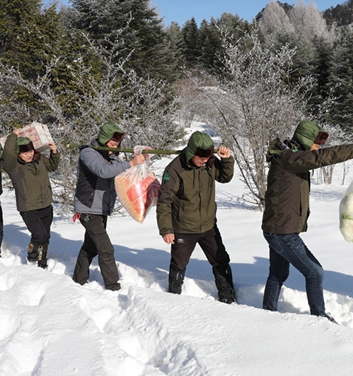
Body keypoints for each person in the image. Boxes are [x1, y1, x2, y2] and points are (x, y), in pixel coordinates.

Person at [261, 120, 353, 321]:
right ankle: (319, 316)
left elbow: (316, 156)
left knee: (278, 274)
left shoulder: (290, 156)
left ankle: (267, 313)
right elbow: (322, 158)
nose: (318, 148)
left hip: (278, 228)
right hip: (282, 232)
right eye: (316, 143)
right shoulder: (289, 158)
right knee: (315, 273)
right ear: (305, 141)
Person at [157, 131, 236, 303]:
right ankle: (173, 298)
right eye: (201, 157)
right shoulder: (175, 169)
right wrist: (166, 229)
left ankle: (229, 298)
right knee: (179, 264)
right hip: (184, 228)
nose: (204, 161)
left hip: (208, 225)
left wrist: (227, 160)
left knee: (221, 260)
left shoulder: (210, 163)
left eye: (207, 157)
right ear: (192, 152)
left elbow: (225, 177)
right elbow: (164, 201)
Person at [71, 123, 145, 291]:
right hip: (88, 208)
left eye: (118, 142)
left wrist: (138, 168)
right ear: (104, 138)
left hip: (101, 208)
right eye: (113, 141)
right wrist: (130, 163)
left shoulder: (111, 156)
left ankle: (78, 280)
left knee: (90, 247)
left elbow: (118, 173)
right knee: (106, 249)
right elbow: (103, 171)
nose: (116, 144)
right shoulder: (88, 153)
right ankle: (113, 287)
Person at [3, 132, 60, 269]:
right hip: (28, 207)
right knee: (39, 235)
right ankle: (32, 255)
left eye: (30, 151)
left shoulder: (39, 159)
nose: (29, 154)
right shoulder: (14, 167)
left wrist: (54, 152)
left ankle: (42, 261)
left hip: (46, 204)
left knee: (45, 236)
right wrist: (12, 136)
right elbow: (7, 155)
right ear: (17, 154)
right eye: (24, 153)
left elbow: (52, 166)